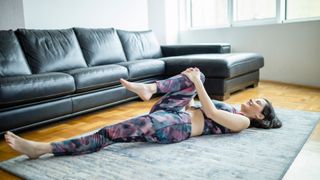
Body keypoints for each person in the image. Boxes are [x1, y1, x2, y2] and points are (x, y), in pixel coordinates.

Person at [4, 67, 281, 159]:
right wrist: (194, 84)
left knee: (110, 133)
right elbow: (201, 103)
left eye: (259, 103)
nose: (254, 100)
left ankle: (43, 148)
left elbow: (208, 110)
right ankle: (149, 88)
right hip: (177, 110)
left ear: (259, 116)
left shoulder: (242, 121)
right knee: (200, 75)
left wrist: (196, 86)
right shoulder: (235, 108)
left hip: (175, 125)